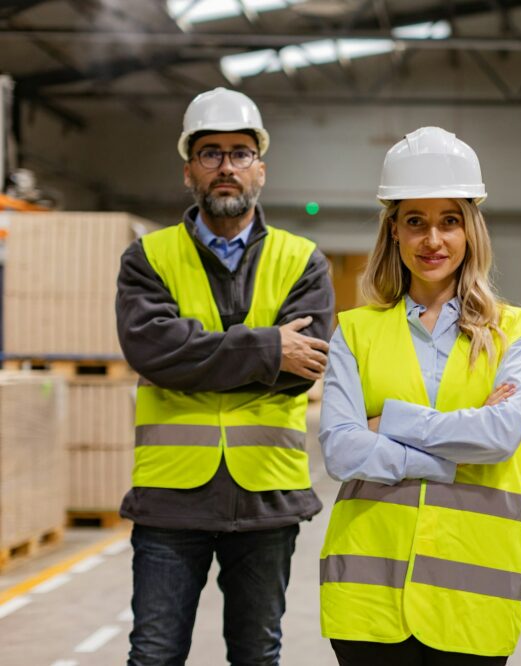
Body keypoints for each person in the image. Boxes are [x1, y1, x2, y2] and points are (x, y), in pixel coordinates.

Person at [115, 87, 334, 666]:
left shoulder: (302, 259)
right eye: (211, 153)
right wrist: (268, 347)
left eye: (240, 153)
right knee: (155, 654)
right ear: (189, 167)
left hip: (266, 498)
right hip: (171, 501)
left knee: (257, 655)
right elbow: (154, 352)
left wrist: (200, 357)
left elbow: (303, 369)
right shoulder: (148, 257)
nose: (226, 167)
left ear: (260, 168)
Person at [318, 126, 521, 665]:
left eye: (449, 221)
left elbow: (501, 436)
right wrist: (452, 456)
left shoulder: (517, 331)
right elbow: (341, 450)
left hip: (474, 596)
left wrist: (389, 420)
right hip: (369, 593)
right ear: (393, 232)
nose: (433, 240)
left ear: (471, 231)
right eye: (415, 222)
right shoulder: (355, 332)